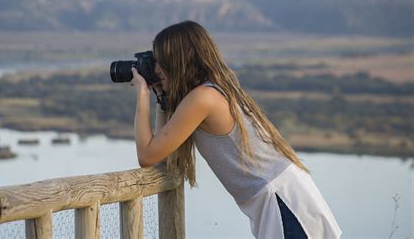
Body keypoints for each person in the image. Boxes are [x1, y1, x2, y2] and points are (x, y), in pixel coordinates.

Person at [130, 20, 342, 238]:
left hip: (282, 202)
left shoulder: (203, 98)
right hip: (281, 198)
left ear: (178, 61)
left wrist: (142, 96)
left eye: (160, 61)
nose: (155, 69)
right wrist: (161, 101)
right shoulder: (210, 90)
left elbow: (147, 156)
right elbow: (162, 155)